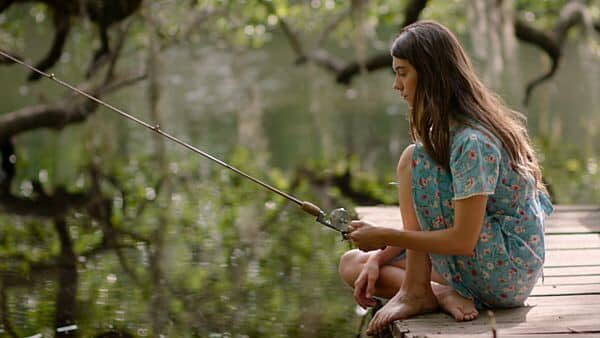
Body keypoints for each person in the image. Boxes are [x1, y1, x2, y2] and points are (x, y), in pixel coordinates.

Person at [338, 20, 554, 336]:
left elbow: (462, 240)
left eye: (402, 73)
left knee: (412, 159)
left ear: (430, 74)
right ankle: (437, 293)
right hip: (484, 262)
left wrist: (387, 234)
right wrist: (380, 253)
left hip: (506, 273)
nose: (396, 85)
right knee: (354, 264)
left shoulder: (472, 142)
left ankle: (416, 291)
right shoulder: (452, 134)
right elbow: (443, 227)